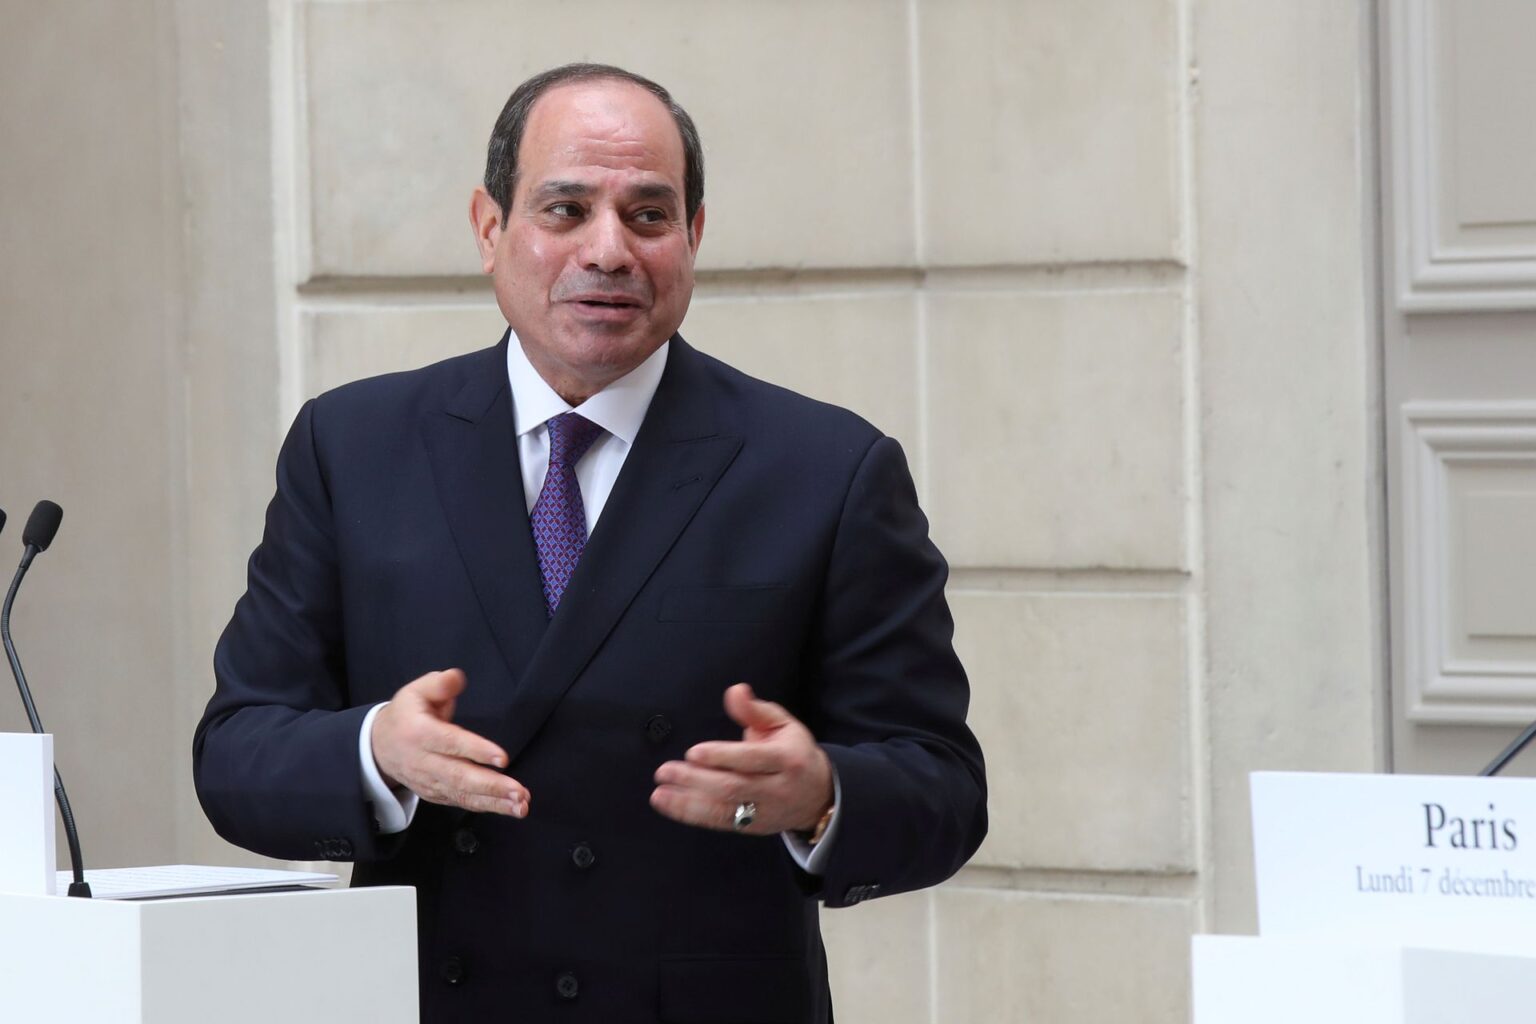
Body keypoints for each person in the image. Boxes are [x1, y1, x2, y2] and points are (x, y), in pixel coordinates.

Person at [194, 62, 986, 1023]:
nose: (608, 250)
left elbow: (944, 789)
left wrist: (823, 794)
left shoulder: (825, 468)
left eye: (649, 216)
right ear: (490, 227)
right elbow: (237, 753)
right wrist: (375, 752)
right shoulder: (354, 446)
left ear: (694, 235)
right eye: (565, 210)